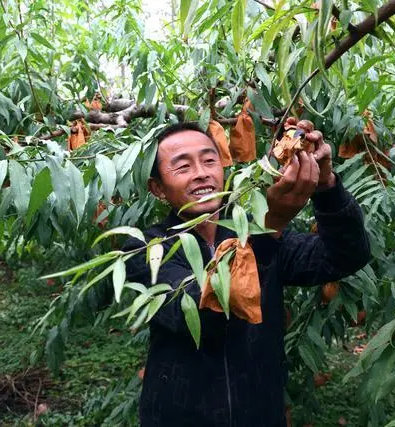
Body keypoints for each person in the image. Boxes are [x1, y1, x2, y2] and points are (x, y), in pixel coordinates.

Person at [123, 119, 370, 427]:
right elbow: (201, 317)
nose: (202, 173)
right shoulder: (146, 248)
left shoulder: (253, 233)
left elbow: (347, 255)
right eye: (182, 167)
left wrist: (327, 187)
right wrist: (270, 226)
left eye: (210, 160)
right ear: (158, 188)